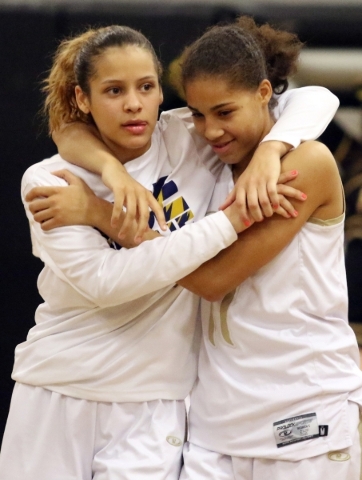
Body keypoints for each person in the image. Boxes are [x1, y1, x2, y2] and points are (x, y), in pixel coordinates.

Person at [0, 24, 338, 480]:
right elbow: (106, 282)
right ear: (83, 99)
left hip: (168, 401)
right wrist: (111, 175)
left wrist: (273, 149)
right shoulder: (52, 182)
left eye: (146, 86)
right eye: (113, 90)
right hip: (61, 385)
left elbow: (311, 98)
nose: (133, 103)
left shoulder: (189, 140)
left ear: (162, 93)